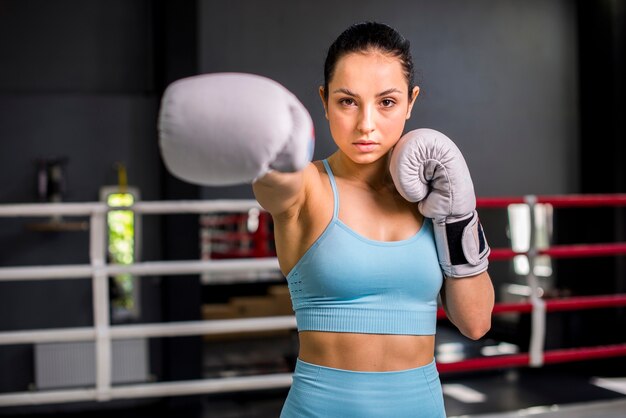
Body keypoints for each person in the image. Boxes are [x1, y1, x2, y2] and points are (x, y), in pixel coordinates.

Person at [159, 21, 494, 418]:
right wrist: (274, 150)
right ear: (324, 100)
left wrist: (458, 214)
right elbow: (274, 185)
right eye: (347, 101)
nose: (366, 124)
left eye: (386, 102)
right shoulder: (307, 187)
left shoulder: (432, 198)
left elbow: (475, 323)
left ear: (410, 101)